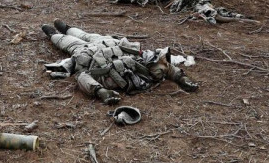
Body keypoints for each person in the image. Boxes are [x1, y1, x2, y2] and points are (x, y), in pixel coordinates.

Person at [42, 19, 199, 104]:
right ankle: (66, 27)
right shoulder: (147, 70)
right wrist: (182, 78)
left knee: (69, 42)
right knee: (86, 35)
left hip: (86, 53)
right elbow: (165, 66)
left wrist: (101, 92)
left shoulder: (111, 82)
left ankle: (53, 33)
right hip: (108, 43)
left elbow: (82, 76)